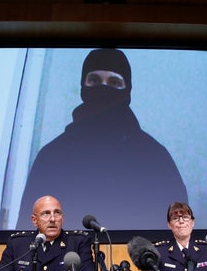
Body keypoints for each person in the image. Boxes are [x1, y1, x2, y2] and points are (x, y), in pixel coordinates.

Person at [15, 48, 188, 230]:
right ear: (83, 86)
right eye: (94, 80)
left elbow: (179, 231)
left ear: (127, 90)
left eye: (114, 82)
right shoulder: (52, 157)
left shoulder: (155, 158)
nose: (103, 88)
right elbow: (27, 232)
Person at [0, 195, 94, 271]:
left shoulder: (78, 243)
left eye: (57, 213)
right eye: (46, 214)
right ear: (34, 220)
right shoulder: (17, 244)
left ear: (62, 218)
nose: (53, 219)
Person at [142, 202, 207, 271]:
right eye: (175, 218)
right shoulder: (158, 253)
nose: (181, 221)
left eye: (185, 217)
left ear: (192, 222)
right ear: (169, 225)